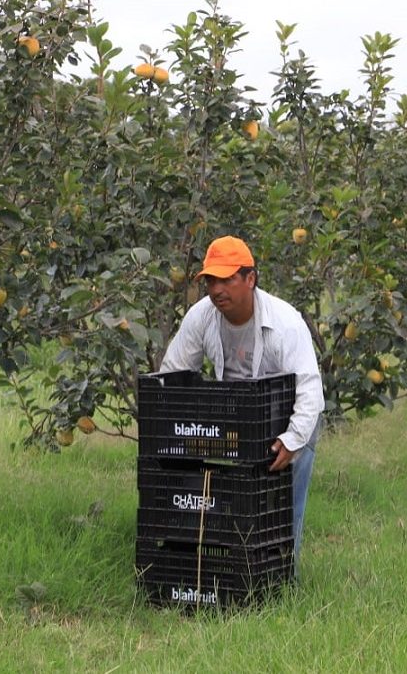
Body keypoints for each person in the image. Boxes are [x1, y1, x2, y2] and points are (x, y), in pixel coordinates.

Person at [159, 235, 324, 569]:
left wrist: (292, 440)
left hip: (288, 417)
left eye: (226, 279)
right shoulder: (201, 316)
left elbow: (310, 390)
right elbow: (172, 372)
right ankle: (234, 570)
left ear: (251, 279)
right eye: (210, 281)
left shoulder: (284, 323)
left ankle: (281, 576)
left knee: (282, 504)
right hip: (236, 415)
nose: (217, 289)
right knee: (233, 500)